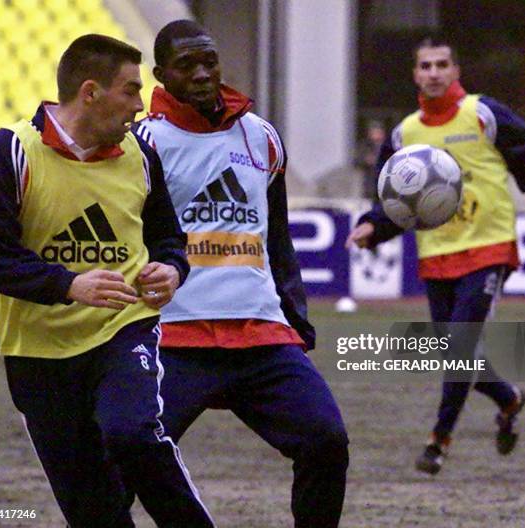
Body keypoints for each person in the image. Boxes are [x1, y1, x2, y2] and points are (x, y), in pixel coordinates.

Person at [0, 34, 215, 527]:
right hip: (37, 351)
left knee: (133, 433)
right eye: (130, 91)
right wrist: (69, 284)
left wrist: (172, 269)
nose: (139, 105)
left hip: (122, 331)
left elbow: (169, 238)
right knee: (93, 511)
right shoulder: (11, 153)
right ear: (90, 92)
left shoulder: (140, 156)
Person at [132, 20, 349, 527]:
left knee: (326, 441)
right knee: (120, 460)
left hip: (260, 336)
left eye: (210, 61)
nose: (204, 73)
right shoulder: (144, 143)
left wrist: (295, 314)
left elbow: (277, 238)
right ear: (162, 76)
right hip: (174, 338)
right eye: (187, 65)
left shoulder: (262, 137)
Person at [346, 36, 525, 475]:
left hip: (488, 247)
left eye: (442, 64)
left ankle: (438, 441)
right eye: (425, 65)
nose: (434, 73)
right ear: (415, 74)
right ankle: (508, 398)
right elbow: (392, 200)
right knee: (453, 354)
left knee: (460, 345)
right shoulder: (405, 133)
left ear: (455, 70)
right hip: (437, 252)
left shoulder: (483, 114)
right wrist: (373, 226)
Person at [355, 119, 386, 200]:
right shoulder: (365, 146)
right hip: (370, 182)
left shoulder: (387, 146)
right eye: (374, 132)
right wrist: (366, 160)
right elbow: (357, 160)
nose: (377, 135)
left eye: (379, 132)